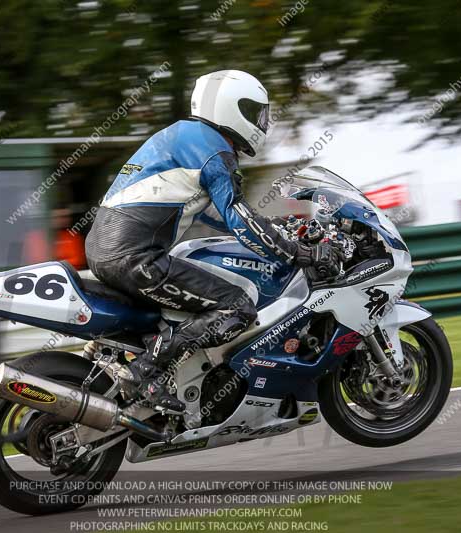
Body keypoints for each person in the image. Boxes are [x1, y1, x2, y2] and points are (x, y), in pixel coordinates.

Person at [85, 70, 341, 411]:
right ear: (229, 107)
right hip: (136, 257)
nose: (261, 123)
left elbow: (216, 216)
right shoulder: (213, 149)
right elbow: (239, 220)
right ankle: (145, 372)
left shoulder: (185, 136)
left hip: (109, 250)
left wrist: (280, 226)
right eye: (255, 112)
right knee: (236, 307)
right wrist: (301, 253)